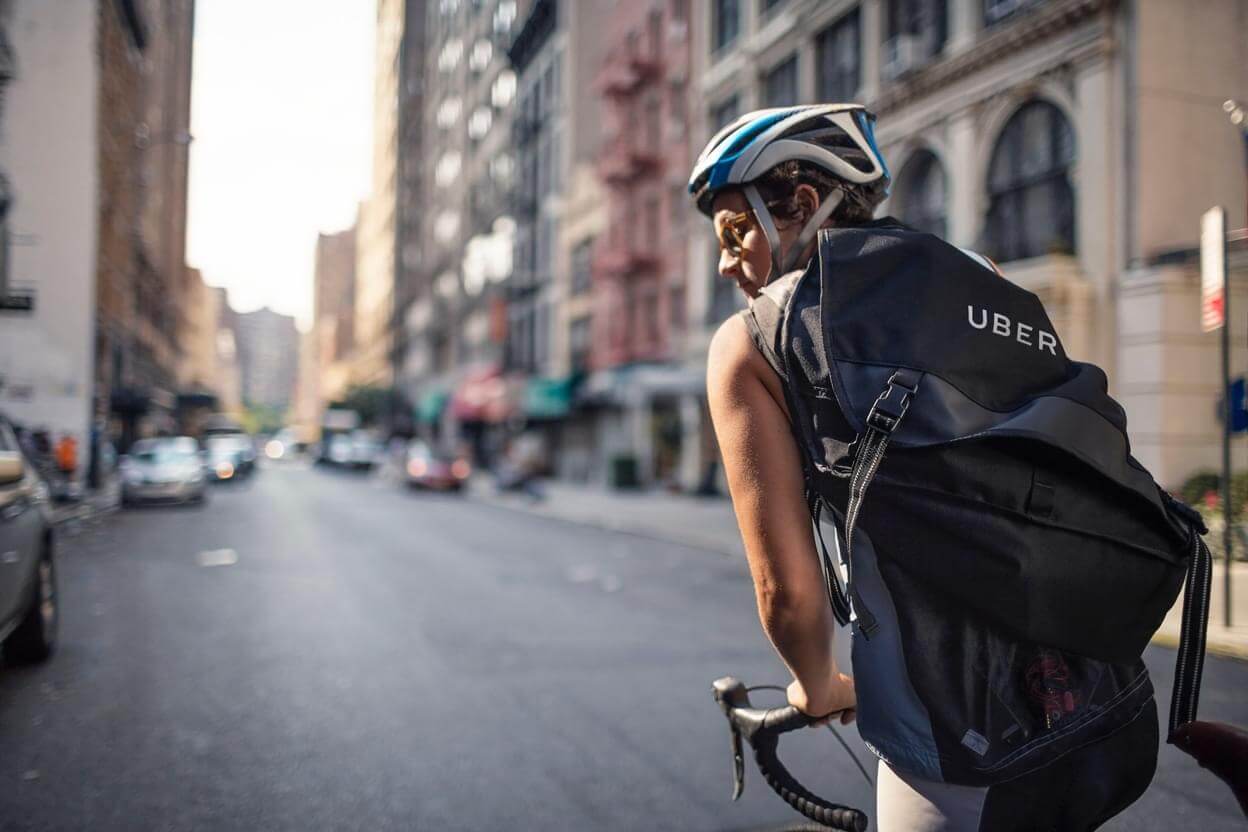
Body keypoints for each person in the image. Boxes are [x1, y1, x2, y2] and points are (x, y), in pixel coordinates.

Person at [692, 104, 1157, 830]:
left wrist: (817, 685)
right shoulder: (982, 275)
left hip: (965, 748)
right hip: (1116, 708)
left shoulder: (753, 337)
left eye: (734, 229)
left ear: (803, 207)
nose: (724, 260)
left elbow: (788, 593)